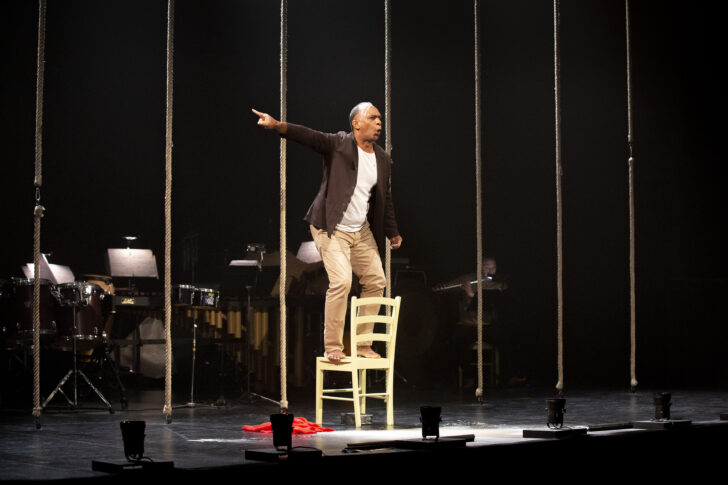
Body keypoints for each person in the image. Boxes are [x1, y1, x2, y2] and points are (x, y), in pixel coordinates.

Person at [252, 102, 402, 364]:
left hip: (360, 231)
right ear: (356, 123)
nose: (379, 122)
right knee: (342, 281)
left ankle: (363, 344)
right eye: (372, 118)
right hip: (330, 227)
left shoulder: (382, 159)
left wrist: (393, 231)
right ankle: (333, 346)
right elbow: (309, 136)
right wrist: (277, 126)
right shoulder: (339, 144)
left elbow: (384, 199)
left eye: (380, 118)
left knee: (377, 280)